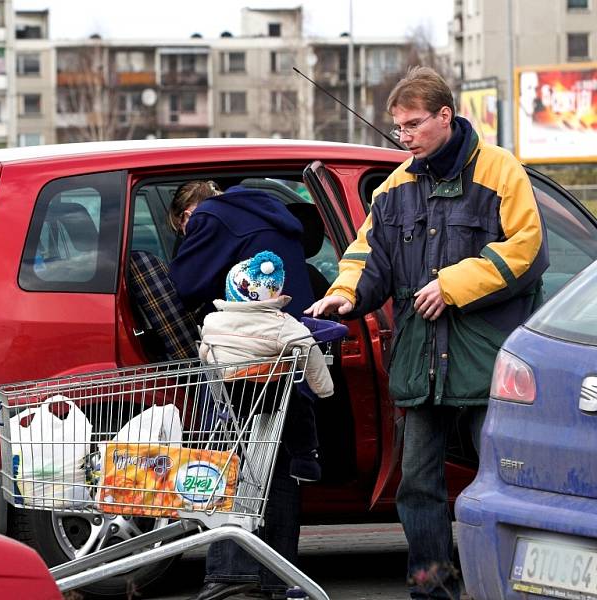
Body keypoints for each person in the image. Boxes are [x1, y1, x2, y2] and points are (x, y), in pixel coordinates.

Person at [306, 66, 549, 599]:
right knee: (417, 485)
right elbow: (368, 255)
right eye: (398, 128)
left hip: (488, 360)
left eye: (413, 125)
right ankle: (431, 586)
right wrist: (345, 293)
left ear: (446, 115)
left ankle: (512, 585)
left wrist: (453, 284)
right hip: (421, 358)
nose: (405, 137)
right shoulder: (394, 188)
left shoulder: (502, 172)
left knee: (504, 481)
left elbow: (527, 250)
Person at [169, 183, 319, 600]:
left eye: (184, 228)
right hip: (285, 355)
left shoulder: (210, 218)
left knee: (229, 464)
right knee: (280, 465)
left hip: (240, 363)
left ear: (187, 215)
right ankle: (279, 578)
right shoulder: (271, 214)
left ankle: (232, 578)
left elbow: (186, 283)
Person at [199, 250, 335, 482]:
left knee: (229, 421)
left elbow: (206, 352)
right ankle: (304, 459)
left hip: (230, 391)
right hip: (269, 391)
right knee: (298, 409)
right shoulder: (282, 324)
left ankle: (223, 465)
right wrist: (324, 389)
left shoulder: (212, 320)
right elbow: (309, 351)